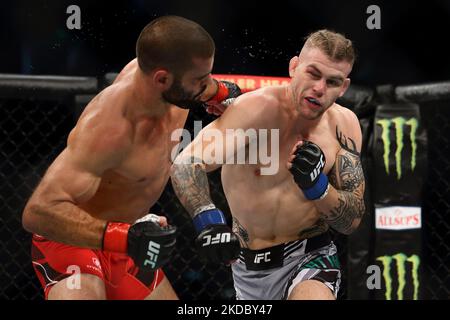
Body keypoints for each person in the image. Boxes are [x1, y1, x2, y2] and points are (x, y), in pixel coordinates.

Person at [22, 15, 241, 300]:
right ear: (162, 79)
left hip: (128, 239)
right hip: (74, 238)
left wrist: (225, 94)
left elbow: (209, 88)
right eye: (200, 80)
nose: (208, 85)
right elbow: (37, 212)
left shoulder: (175, 88)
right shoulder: (109, 128)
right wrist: (123, 237)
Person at [170, 30, 365, 300]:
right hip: (245, 267)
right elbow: (186, 163)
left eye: (332, 81)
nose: (320, 88)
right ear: (294, 67)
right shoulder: (254, 110)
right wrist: (209, 223)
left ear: (343, 87)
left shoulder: (344, 125)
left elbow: (351, 220)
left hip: (309, 257)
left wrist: (318, 187)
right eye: (313, 74)